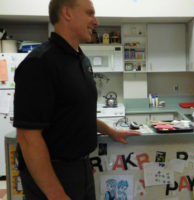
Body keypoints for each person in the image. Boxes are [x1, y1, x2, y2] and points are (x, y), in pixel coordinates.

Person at [13, 0, 140, 200]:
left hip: (81, 168)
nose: (96, 21)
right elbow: (28, 138)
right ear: (67, 13)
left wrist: (111, 131)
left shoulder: (81, 60)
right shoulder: (39, 64)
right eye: (90, 13)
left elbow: (77, 112)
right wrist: (56, 195)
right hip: (53, 173)